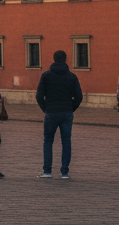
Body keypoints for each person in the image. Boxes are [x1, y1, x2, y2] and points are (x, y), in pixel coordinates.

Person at [35, 49, 83, 178]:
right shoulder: (72, 76)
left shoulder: (46, 75)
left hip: (51, 111)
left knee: (48, 141)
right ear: (65, 59)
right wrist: (71, 108)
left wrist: (45, 108)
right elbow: (79, 96)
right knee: (66, 141)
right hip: (66, 112)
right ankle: (65, 172)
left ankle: (47, 171)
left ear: (54, 59)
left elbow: (39, 96)